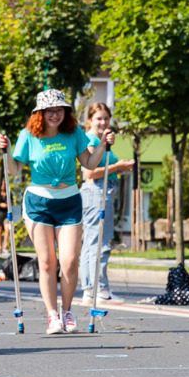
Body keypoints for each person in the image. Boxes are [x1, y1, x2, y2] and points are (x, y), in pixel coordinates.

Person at [0, 89, 112, 334]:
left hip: (69, 201)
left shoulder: (74, 134)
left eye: (59, 110)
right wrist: (5, 150)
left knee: (69, 261)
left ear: (65, 112)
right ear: (39, 113)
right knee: (47, 262)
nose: (55, 114)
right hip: (38, 203)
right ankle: (52, 316)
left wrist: (103, 144)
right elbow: (15, 168)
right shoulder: (28, 135)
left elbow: (90, 164)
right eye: (49, 110)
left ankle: (67, 312)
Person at [78, 102, 134, 305]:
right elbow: (90, 172)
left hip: (98, 191)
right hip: (97, 191)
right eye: (99, 118)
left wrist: (117, 168)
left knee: (91, 242)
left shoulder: (97, 139)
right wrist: (117, 166)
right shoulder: (91, 140)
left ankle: (90, 289)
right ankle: (99, 288)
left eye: (106, 118)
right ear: (90, 120)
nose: (103, 122)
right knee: (100, 242)